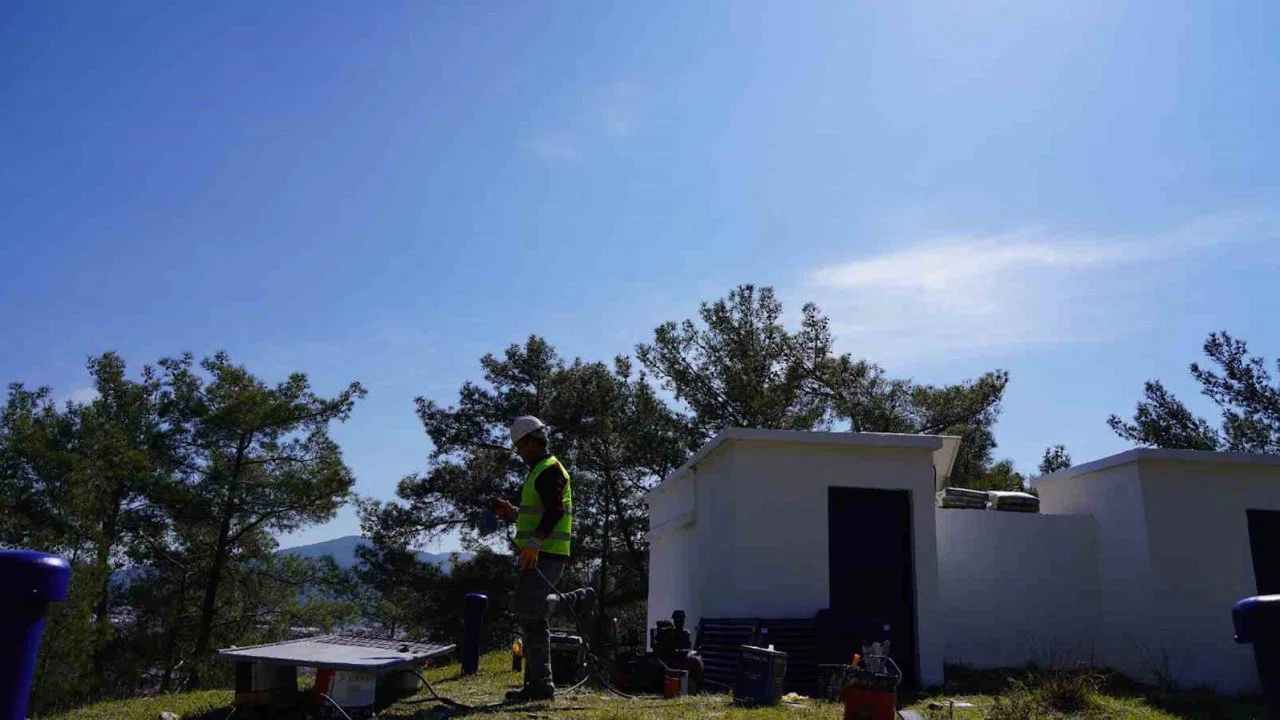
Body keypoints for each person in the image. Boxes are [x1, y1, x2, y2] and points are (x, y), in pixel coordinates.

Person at [493, 415, 595, 702]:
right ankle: (540, 685)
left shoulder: (550, 469)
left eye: (520, 447)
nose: (519, 453)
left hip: (546, 553)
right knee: (533, 621)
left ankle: (576, 599)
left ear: (531, 442)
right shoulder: (540, 469)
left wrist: (535, 541)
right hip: (538, 553)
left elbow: (555, 511)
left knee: (524, 605)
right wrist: (515, 513)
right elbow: (541, 511)